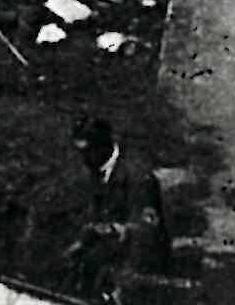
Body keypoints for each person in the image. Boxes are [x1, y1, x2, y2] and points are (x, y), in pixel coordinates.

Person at [63, 117, 170, 297]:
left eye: (88, 152)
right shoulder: (98, 170)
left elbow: (147, 233)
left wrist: (124, 280)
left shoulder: (138, 177)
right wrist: (81, 242)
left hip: (138, 262)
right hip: (110, 252)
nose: (83, 159)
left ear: (103, 147)